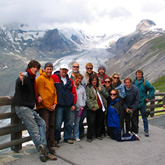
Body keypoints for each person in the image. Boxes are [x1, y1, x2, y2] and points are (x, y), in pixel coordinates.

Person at [13, 60, 57, 162]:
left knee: (42, 123)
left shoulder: (33, 79)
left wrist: (38, 96)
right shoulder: (26, 76)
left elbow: (32, 91)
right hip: (22, 107)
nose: (35, 69)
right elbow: (20, 82)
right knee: (34, 131)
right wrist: (20, 79)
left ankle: (43, 150)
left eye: (37, 68)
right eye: (34, 67)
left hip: (29, 107)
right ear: (30, 67)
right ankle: (45, 152)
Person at [51, 64, 77, 144]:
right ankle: (56, 138)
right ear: (60, 69)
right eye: (63, 69)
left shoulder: (70, 81)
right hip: (59, 105)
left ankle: (67, 137)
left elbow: (73, 92)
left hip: (68, 105)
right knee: (58, 123)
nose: (64, 71)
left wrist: (73, 104)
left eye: (66, 70)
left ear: (67, 71)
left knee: (68, 123)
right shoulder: (54, 78)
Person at [36, 62, 57, 154]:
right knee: (46, 126)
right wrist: (48, 106)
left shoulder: (51, 79)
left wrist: (55, 104)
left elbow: (54, 93)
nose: (49, 70)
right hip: (44, 107)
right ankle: (46, 145)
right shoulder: (40, 79)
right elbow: (41, 93)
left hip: (51, 106)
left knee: (52, 124)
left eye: (50, 69)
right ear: (44, 69)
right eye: (47, 69)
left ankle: (51, 142)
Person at [86, 74, 109, 142]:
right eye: (93, 80)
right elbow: (87, 99)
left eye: (95, 80)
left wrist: (101, 90)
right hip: (92, 107)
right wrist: (91, 106)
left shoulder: (100, 87)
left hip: (100, 107)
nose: (94, 81)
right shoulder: (88, 88)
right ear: (90, 81)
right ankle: (89, 136)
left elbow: (107, 95)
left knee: (100, 121)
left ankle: (98, 134)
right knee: (91, 122)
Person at [133, 70, 155, 137]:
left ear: (142, 75)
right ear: (136, 75)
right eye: (138, 74)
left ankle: (146, 130)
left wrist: (149, 97)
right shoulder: (133, 82)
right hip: (135, 103)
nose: (139, 75)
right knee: (135, 118)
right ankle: (135, 129)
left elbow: (152, 89)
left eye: (140, 74)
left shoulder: (145, 83)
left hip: (143, 103)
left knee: (144, 117)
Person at [71, 73, 87, 142]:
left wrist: (83, 104)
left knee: (77, 122)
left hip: (80, 108)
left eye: (80, 79)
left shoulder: (82, 87)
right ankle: (69, 135)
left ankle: (76, 135)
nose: (79, 80)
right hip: (72, 107)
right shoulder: (71, 86)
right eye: (78, 78)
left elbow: (85, 97)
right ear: (75, 78)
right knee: (70, 122)